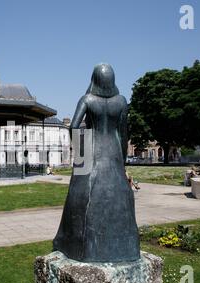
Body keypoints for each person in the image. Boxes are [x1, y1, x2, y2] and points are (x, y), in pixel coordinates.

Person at [53, 63, 140, 263]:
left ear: (94, 80)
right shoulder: (121, 101)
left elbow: (74, 127)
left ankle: (78, 244)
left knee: (83, 197)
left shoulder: (88, 99)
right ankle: (123, 245)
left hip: (92, 151)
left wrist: (81, 154)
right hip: (114, 153)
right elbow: (124, 134)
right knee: (119, 197)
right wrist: (123, 160)